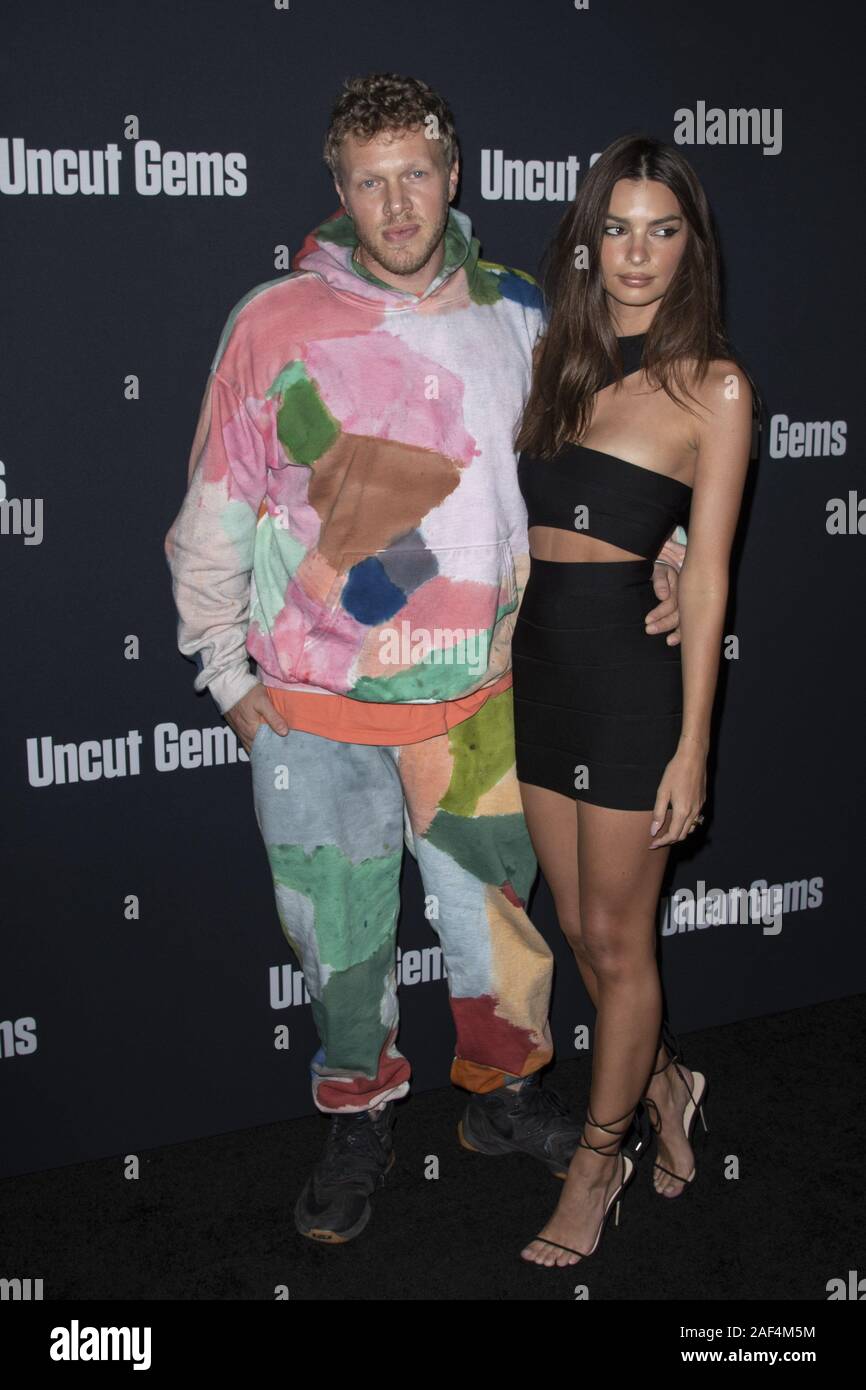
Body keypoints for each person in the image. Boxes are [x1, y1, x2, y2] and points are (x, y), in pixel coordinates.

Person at [163, 74, 686, 1247]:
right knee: (337, 938)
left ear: (454, 174)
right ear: (338, 190)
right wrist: (231, 684)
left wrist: (674, 553)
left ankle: (500, 1097)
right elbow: (212, 508)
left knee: (498, 928)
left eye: (415, 174)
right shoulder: (271, 321)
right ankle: (358, 1111)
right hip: (310, 711)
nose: (396, 205)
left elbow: (612, 460)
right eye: (368, 181)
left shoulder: (521, 314)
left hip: (486, 707)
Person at [511, 133, 758, 1268]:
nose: (637, 252)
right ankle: (669, 1084)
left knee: (619, 940)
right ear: (587, 238)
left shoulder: (711, 386)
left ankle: (594, 1162)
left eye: (663, 229)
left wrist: (692, 744)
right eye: (617, 227)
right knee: (577, 932)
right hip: (542, 669)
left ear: (688, 247)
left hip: (626, 683)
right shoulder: (557, 362)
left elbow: (703, 573)